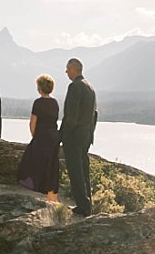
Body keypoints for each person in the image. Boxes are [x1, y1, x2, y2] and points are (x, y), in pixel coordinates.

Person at [60, 58, 97, 216]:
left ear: (73, 69)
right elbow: (94, 114)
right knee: (83, 170)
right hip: (86, 134)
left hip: (74, 135)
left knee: (75, 171)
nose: (66, 72)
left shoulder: (74, 86)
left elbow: (71, 116)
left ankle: (83, 207)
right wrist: (90, 133)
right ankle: (87, 204)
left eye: (67, 69)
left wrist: (61, 135)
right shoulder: (90, 87)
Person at [16, 74, 60, 202]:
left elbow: (32, 123)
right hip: (53, 137)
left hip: (41, 136)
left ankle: (40, 189)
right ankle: (52, 197)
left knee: (30, 163)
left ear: (40, 88)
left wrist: (35, 137)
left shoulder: (38, 102)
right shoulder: (55, 102)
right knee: (51, 166)